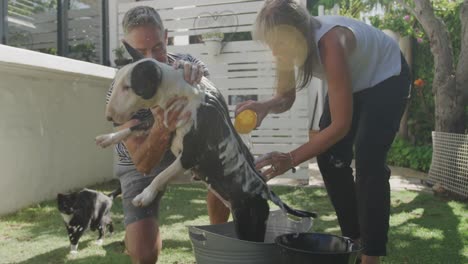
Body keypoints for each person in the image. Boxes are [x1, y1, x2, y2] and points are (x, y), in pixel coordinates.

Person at [236, 1, 411, 263]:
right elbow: (286, 97)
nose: (274, 51)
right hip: (354, 81)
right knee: (329, 158)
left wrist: (291, 158)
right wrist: (265, 106)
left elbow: (340, 126)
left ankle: (371, 255)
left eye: (278, 43)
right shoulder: (286, 49)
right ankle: (355, 238)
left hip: (386, 77)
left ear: (297, 33)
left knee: (368, 159)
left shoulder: (330, 43)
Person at [107, 6, 228, 263]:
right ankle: (132, 236)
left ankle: (220, 241)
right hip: (140, 161)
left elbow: (214, 124)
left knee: (224, 168)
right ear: (127, 48)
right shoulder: (120, 88)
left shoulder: (191, 68)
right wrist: (163, 124)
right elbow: (143, 163)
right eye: (140, 52)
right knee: (143, 254)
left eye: (158, 48)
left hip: (186, 152)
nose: (151, 58)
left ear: (167, 37)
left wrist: (197, 86)